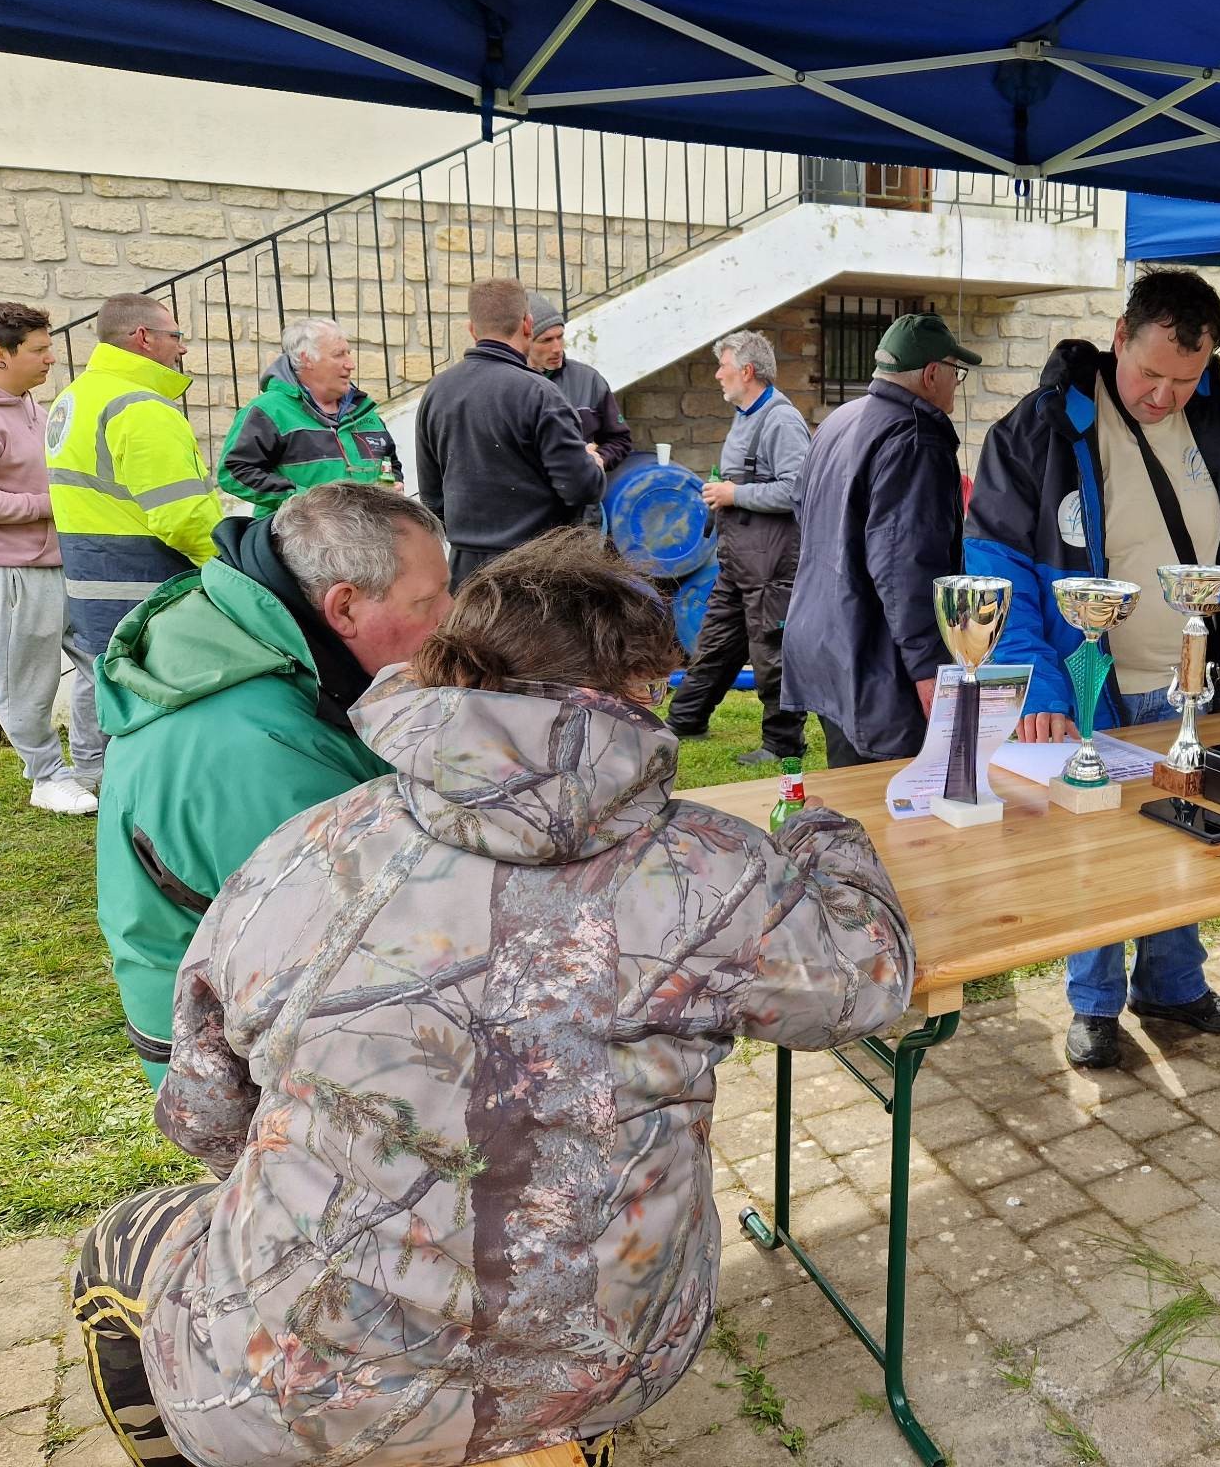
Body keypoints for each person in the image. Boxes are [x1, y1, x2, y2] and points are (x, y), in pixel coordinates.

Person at [74, 527, 914, 1467]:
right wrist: (826, 841)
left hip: (293, 1395)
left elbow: (203, 1118)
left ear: (450, 675)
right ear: (636, 690)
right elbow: (871, 985)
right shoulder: (717, 872)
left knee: (122, 1243)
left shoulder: (303, 850)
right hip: (602, 1368)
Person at [966, 268, 1220, 1071]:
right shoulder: (1037, 429)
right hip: (1089, 681)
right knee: (1095, 852)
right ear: (1118, 337)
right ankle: (1093, 1003)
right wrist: (1042, 687)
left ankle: (1174, 983)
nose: (1163, 396)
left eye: (1184, 380)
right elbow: (997, 567)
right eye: (1149, 373)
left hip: (1191, 680)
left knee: (1183, 838)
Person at [94, 482, 451, 1084]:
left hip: (254, 1012)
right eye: (430, 601)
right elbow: (374, 941)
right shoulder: (250, 747)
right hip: (237, 1073)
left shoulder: (254, 639)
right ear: (343, 608)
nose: (450, 619)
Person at [783, 312, 979, 767]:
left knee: (849, 786)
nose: (956, 383)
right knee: (894, 799)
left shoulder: (842, 418)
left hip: (826, 641)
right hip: (875, 655)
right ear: (932, 373)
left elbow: (801, 507)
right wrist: (930, 667)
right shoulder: (914, 436)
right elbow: (907, 564)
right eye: (956, 371)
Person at [0, 303, 104, 814]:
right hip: (10, 567)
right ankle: (45, 776)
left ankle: (93, 766)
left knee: (101, 663)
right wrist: (47, 507)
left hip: (63, 560)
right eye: (39, 349)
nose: (51, 358)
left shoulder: (29, 405)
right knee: (25, 677)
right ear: (0, 355)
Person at [44, 292, 222, 656]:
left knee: (104, 698)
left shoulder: (75, 397)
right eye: (176, 336)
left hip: (93, 590)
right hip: (148, 597)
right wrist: (228, 569)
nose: (182, 348)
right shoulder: (141, 407)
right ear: (144, 337)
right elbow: (183, 517)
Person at [668, 330, 813, 766]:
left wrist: (734, 495)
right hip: (739, 557)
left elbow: (796, 490)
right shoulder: (746, 413)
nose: (717, 375)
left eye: (723, 366)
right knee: (716, 640)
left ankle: (782, 745)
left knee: (771, 653)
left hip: (772, 560)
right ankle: (685, 720)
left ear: (747, 372)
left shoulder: (781, 421)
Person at [414, 278, 602, 588]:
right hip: (537, 572)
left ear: (473, 329)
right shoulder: (542, 394)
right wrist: (591, 465)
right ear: (528, 324)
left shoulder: (436, 392)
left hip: (467, 574)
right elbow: (581, 489)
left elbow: (432, 498)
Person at [216, 317, 400, 513]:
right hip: (297, 538)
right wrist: (305, 500)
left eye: (349, 353)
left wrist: (393, 488)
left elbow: (391, 463)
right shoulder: (269, 410)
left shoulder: (364, 411)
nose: (350, 364)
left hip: (369, 535)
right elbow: (234, 471)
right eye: (339, 355)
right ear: (307, 360)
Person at [528, 295, 634, 479]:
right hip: (532, 501)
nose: (557, 348)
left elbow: (620, 440)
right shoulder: (509, 384)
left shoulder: (589, 379)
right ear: (525, 341)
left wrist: (598, 459)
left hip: (582, 501)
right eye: (546, 340)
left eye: (560, 337)